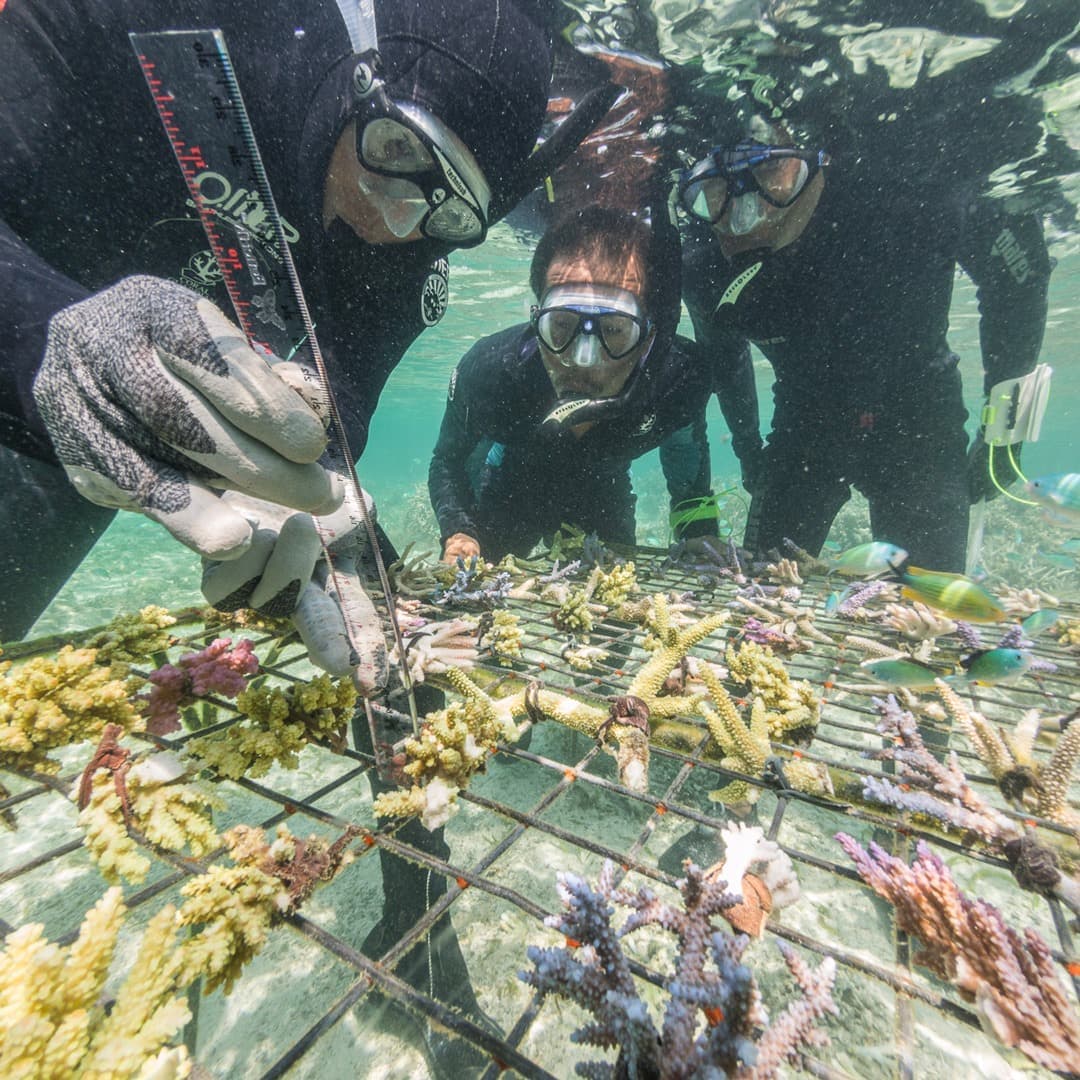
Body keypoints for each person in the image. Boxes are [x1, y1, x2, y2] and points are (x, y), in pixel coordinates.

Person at [0, 0, 615, 661]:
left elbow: (329, 429)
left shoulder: (408, 252)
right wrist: (39, 334)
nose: (392, 218)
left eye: (449, 207)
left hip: (100, 458)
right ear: (361, 79)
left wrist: (343, 544)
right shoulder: (127, 13)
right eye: (397, 147)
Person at [678, 114, 1052, 572]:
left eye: (771, 174)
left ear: (815, 161)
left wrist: (1005, 433)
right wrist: (748, 448)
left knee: (927, 604)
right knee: (760, 588)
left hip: (919, 422)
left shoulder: (908, 188)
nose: (745, 215)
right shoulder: (703, 261)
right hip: (804, 426)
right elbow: (725, 356)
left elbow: (1019, 275)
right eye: (714, 193)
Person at [429, 204, 717, 564]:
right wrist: (460, 531)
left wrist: (698, 534)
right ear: (536, 320)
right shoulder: (491, 373)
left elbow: (685, 453)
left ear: (649, 337)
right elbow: (450, 461)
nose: (582, 360)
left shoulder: (680, 378)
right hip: (509, 490)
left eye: (614, 330)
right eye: (561, 326)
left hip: (604, 493)